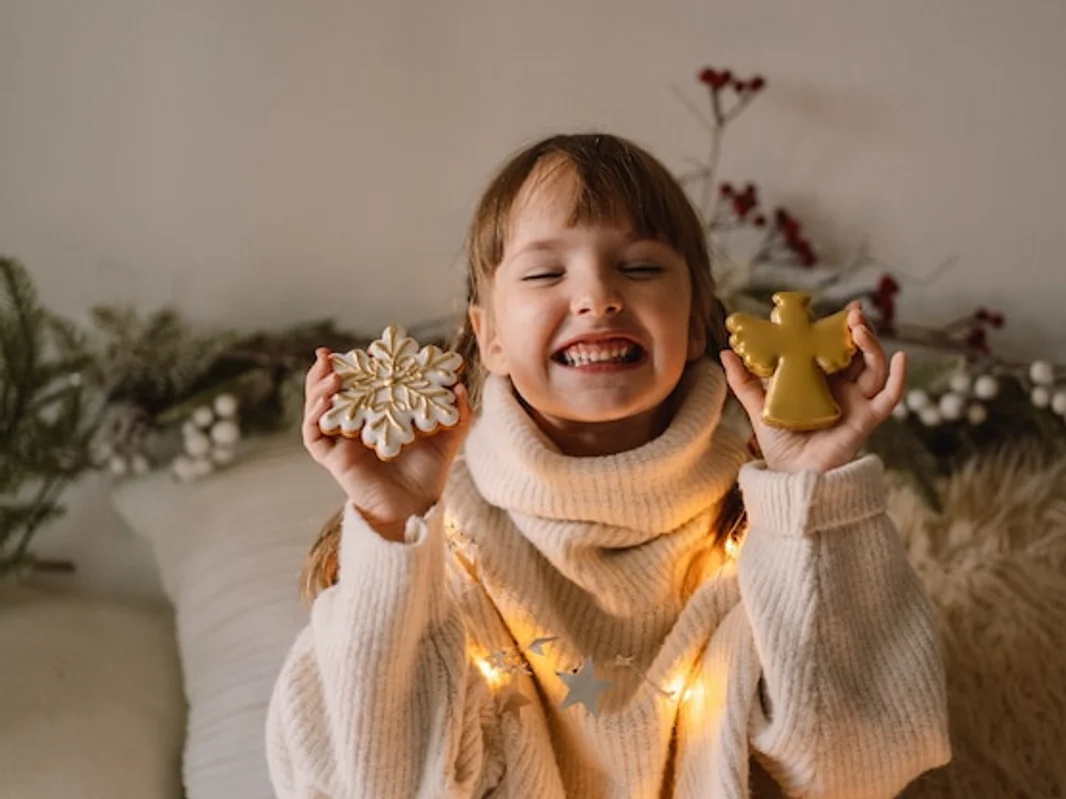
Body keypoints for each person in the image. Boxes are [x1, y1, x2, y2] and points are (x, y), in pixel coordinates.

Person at [266, 132, 951, 798]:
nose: (597, 296)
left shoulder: (757, 531)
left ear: (695, 326)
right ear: (490, 337)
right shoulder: (447, 548)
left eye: (641, 266)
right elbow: (369, 783)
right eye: (544, 272)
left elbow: (861, 767)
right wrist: (393, 519)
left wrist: (810, 495)